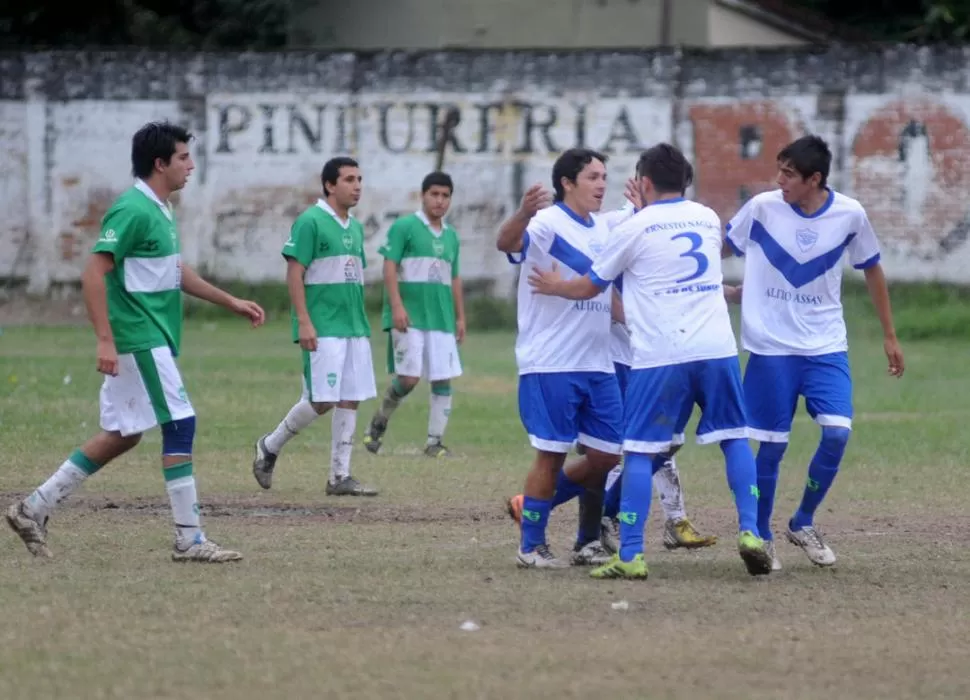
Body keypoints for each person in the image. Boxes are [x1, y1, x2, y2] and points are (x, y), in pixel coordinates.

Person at [6, 121, 265, 562]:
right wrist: (105, 340)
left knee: (123, 434)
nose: (191, 165)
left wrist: (230, 301)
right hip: (138, 337)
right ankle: (189, 539)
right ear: (160, 163)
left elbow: (174, 272)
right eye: (183, 157)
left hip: (150, 336)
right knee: (180, 423)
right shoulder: (133, 209)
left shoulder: (161, 209)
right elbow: (93, 271)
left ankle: (33, 508)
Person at [528, 143, 772, 579]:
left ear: (642, 182)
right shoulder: (706, 218)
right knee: (735, 438)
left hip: (662, 354)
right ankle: (752, 532)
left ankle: (632, 555)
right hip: (717, 348)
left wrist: (553, 287)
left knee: (639, 452)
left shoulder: (634, 228)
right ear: (687, 181)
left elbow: (590, 287)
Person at [722, 135, 904, 570]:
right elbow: (721, 246)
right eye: (779, 171)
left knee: (838, 432)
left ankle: (802, 520)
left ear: (814, 179)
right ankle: (762, 537)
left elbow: (872, 268)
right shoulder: (762, 208)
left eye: (788, 174)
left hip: (825, 345)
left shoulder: (850, 214)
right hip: (770, 348)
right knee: (769, 448)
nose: (778, 180)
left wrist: (890, 335)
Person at [496, 148, 624, 569]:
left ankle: (532, 505)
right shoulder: (548, 222)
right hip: (551, 361)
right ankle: (531, 546)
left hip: (597, 362)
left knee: (607, 456)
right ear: (567, 183)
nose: (601, 184)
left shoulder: (604, 231)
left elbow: (607, 293)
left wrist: (641, 330)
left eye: (604, 176)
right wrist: (521, 212)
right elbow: (508, 242)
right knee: (550, 454)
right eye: (592, 177)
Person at [252, 157, 379, 497]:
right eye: (350, 179)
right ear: (329, 185)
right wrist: (305, 321)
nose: (357, 186)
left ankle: (340, 476)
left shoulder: (353, 226)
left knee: (350, 397)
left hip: (354, 327)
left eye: (360, 179)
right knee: (322, 401)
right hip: (323, 327)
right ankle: (269, 445)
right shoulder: (310, 221)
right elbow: (295, 272)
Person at [362, 171, 466, 458]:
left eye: (445, 196)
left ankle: (434, 443)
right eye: (434, 194)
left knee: (443, 379)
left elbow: (454, 279)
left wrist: (460, 317)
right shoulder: (405, 227)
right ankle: (380, 419)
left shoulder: (451, 236)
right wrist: (396, 306)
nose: (440, 201)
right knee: (408, 378)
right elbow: (389, 266)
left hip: (441, 318)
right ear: (423, 196)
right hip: (410, 316)